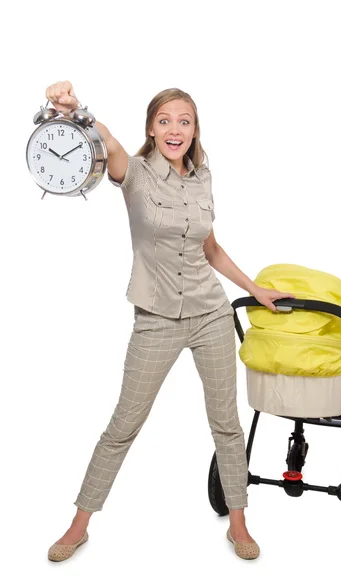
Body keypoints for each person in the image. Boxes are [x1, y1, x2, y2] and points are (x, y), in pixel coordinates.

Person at [46, 80, 295, 562]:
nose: (175, 129)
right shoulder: (135, 173)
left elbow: (212, 249)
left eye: (184, 120)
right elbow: (110, 144)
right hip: (156, 317)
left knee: (226, 423)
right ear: (152, 129)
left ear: (195, 128)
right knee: (123, 426)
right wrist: (77, 112)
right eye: (165, 121)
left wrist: (254, 288)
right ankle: (78, 525)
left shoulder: (203, 176)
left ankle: (239, 526)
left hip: (211, 313)